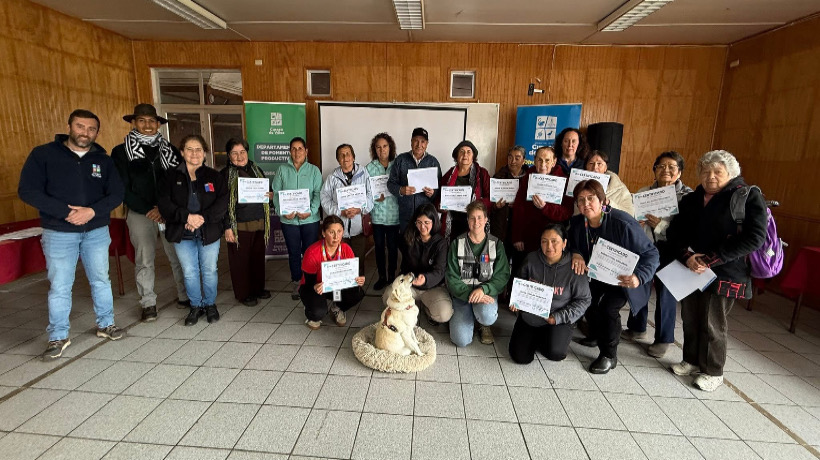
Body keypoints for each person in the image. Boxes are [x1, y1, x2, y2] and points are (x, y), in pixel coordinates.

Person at [18, 109, 125, 359]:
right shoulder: (44, 155)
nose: (85, 132)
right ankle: (58, 336)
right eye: (80, 126)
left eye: (91, 129)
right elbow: (28, 191)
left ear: (97, 132)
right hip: (59, 232)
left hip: (95, 230)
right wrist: (65, 212)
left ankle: (106, 324)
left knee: (100, 279)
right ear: (69, 126)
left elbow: (117, 193)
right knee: (60, 286)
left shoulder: (103, 160)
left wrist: (91, 212)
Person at [666, 150, 767, 392]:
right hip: (690, 267)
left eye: (717, 172)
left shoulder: (746, 196)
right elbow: (674, 231)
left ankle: (713, 370)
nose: (710, 177)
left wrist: (710, 259)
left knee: (713, 322)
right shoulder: (691, 199)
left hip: (725, 270)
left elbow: (755, 237)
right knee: (690, 317)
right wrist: (688, 257)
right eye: (705, 171)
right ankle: (690, 360)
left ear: (731, 174)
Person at [569, 180, 659, 374]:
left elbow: (651, 254)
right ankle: (595, 335)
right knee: (587, 301)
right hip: (596, 275)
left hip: (624, 278)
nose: (586, 204)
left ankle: (609, 355)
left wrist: (639, 276)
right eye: (581, 200)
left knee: (608, 308)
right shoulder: (578, 223)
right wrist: (576, 253)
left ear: (602, 200)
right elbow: (572, 244)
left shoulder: (623, 222)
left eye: (591, 198)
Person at [112, 103, 188, 322]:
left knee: (177, 256)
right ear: (134, 123)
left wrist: (165, 208)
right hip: (140, 212)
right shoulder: (121, 152)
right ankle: (148, 302)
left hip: (169, 212)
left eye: (152, 121)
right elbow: (122, 187)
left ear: (158, 124)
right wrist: (149, 209)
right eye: (142, 120)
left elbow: (179, 182)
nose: (147, 125)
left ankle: (184, 295)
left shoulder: (170, 150)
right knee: (145, 258)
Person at [623, 151, 693, 358]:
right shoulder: (644, 192)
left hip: (672, 249)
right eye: (661, 166)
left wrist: (661, 225)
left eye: (672, 167)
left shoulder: (688, 196)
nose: (666, 170)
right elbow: (633, 217)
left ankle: (663, 339)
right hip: (646, 247)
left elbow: (686, 228)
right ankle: (637, 327)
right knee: (640, 286)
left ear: (679, 172)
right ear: (654, 169)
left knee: (666, 293)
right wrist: (638, 223)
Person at [159, 135, 228, 326]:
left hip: (209, 231)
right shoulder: (170, 176)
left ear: (204, 153)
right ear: (182, 152)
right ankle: (196, 306)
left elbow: (222, 202)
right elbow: (165, 204)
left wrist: (201, 218)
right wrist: (187, 217)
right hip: (183, 233)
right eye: (189, 149)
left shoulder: (215, 176)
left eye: (198, 149)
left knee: (209, 270)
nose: (194, 153)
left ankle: (210, 304)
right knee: (189, 271)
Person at [508, 224, 591, 364]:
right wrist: (515, 301)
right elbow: (518, 282)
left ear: (564, 243)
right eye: (544, 241)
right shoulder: (531, 259)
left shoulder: (574, 267)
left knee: (555, 353)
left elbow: (584, 300)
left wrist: (557, 317)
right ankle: (534, 336)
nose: (549, 246)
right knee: (520, 357)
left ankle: (547, 337)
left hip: (558, 318)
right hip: (531, 315)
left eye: (554, 241)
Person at [446, 200, 510, 347]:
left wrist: (483, 290)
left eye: (480, 217)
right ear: (467, 220)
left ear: (486, 219)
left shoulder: (497, 245)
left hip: (486, 295)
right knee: (460, 340)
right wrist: (471, 294)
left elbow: (502, 276)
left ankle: (483, 324)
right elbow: (451, 277)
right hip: (462, 296)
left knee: (486, 316)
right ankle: (468, 316)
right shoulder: (457, 243)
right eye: (472, 218)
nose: (476, 222)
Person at [222, 138, 272, 306]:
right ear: (229, 155)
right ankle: (243, 294)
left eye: (242, 152)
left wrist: (270, 195)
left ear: (247, 152)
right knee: (240, 261)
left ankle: (258, 288)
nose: (239, 156)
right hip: (239, 225)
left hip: (259, 222)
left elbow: (267, 193)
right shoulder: (225, 175)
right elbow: (222, 204)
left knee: (257, 258)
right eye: (234, 153)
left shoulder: (256, 170)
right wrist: (227, 228)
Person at [272, 137, 322, 300]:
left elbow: (317, 194)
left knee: (310, 252)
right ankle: (296, 284)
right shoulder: (282, 170)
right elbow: (276, 194)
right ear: (290, 151)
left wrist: (312, 211)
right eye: (293, 148)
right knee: (294, 253)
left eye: (300, 148)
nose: (297, 152)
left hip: (310, 220)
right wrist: (282, 211)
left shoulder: (314, 170)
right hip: (289, 221)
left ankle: (309, 283)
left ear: (306, 151)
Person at [387, 204, 453, 325]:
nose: (422, 227)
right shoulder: (409, 237)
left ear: (434, 222)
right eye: (419, 222)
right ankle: (411, 306)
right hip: (410, 285)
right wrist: (407, 279)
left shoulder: (441, 243)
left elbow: (439, 271)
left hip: (432, 287)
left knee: (444, 314)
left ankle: (425, 309)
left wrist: (425, 279)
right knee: (387, 297)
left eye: (426, 222)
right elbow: (403, 264)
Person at [299, 215, 366, 330]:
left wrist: (358, 279)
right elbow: (309, 283)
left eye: (339, 231)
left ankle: (336, 308)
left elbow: (351, 275)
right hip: (314, 287)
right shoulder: (312, 252)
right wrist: (316, 286)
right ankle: (311, 310)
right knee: (318, 313)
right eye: (331, 232)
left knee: (358, 292)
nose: (336, 237)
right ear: (324, 233)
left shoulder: (346, 249)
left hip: (335, 287)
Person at [320, 144, 373, 274]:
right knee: (340, 263)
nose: (345, 158)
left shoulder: (363, 173)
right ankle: (342, 292)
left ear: (353, 156)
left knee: (358, 261)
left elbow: (371, 196)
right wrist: (340, 212)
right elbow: (324, 198)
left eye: (348, 154)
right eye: (341, 155)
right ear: (338, 159)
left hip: (358, 229)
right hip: (338, 231)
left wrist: (360, 209)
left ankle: (357, 290)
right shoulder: (333, 177)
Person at [511, 146, 574, 254]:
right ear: (534, 161)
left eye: (547, 160)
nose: (543, 164)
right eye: (539, 160)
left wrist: (545, 207)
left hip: (552, 241)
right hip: (528, 238)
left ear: (554, 162)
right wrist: (517, 236)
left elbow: (567, 212)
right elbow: (519, 206)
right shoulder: (529, 176)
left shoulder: (564, 180)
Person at [387, 127, 442, 232]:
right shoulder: (401, 160)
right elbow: (390, 184)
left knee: (423, 246)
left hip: (425, 218)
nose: (419, 144)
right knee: (406, 245)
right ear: (411, 142)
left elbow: (440, 188)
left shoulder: (433, 162)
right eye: (416, 140)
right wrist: (401, 190)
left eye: (423, 141)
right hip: (405, 216)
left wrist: (433, 193)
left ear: (427, 143)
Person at [366, 133, 400, 291]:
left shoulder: (398, 164)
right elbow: (366, 191)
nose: (382, 149)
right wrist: (373, 198)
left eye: (385, 146)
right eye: (378, 147)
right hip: (378, 215)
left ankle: (392, 277)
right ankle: (381, 277)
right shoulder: (370, 167)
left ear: (390, 147)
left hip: (394, 215)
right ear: (374, 149)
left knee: (393, 248)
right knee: (379, 247)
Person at [440, 140, 491, 241]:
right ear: (457, 156)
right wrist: (440, 206)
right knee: (453, 251)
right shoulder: (450, 174)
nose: (465, 155)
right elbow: (439, 196)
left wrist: (476, 204)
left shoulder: (482, 173)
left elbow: (490, 198)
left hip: (474, 222)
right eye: (462, 151)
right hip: (453, 223)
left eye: (468, 152)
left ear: (473, 156)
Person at [584, 150, 635, 216]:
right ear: (586, 167)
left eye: (599, 164)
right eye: (591, 163)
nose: (595, 167)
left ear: (606, 168)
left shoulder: (620, 189)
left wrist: (609, 203)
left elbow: (630, 214)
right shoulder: (579, 186)